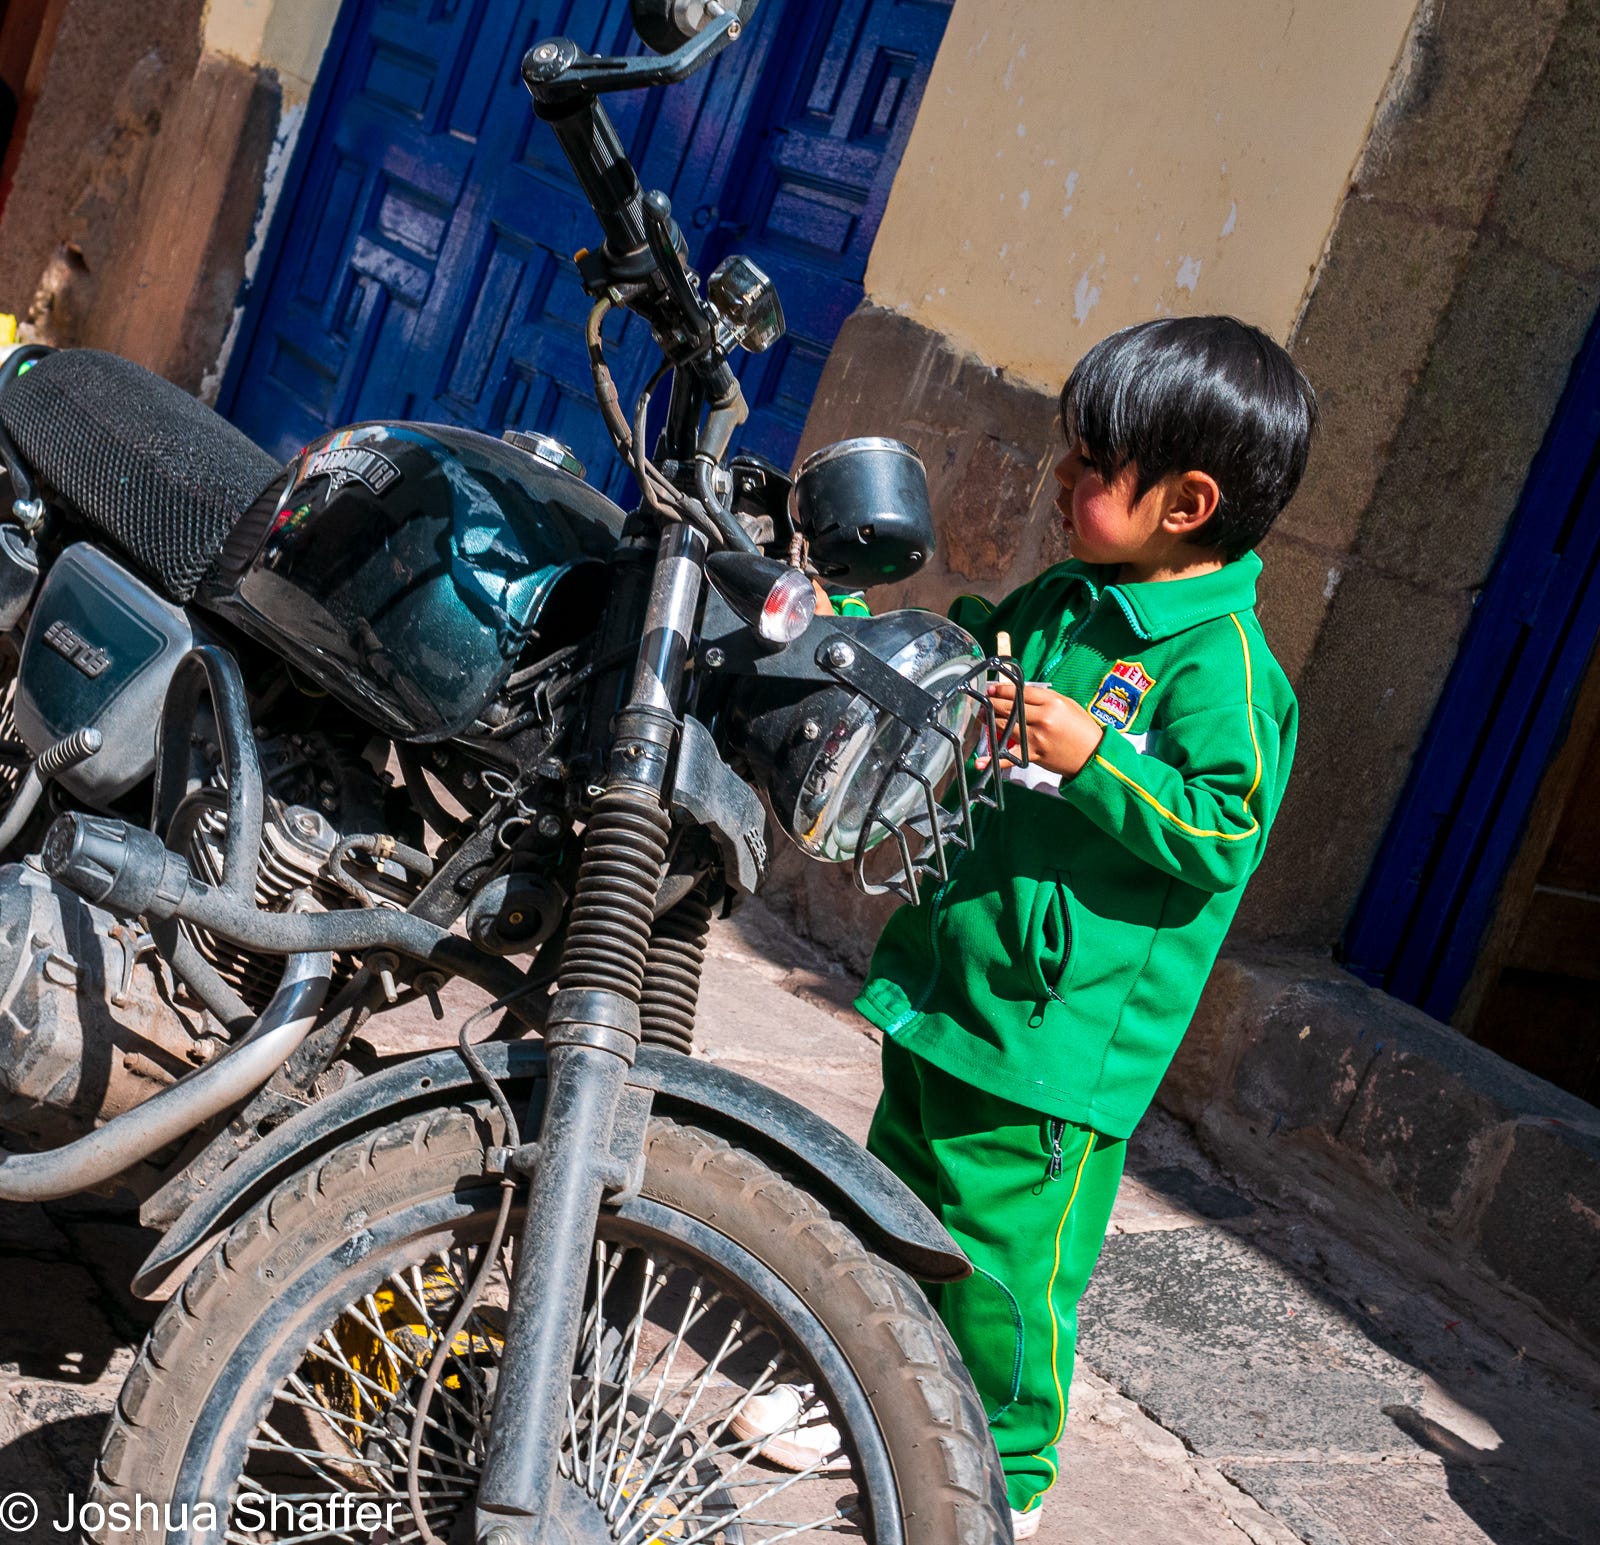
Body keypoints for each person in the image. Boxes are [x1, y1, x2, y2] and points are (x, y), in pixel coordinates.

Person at [735, 315, 1316, 1538]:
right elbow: (968, 675)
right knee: (892, 1200)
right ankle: (866, 1375)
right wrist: (861, 633)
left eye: (1092, 465)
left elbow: (1223, 833)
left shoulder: (1223, 670)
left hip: (1057, 1042)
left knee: (1004, 1269)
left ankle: (1007, 1467)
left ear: (1185, 504)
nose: (1060, 476)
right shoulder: (1064, 597)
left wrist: (1099, 755)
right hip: (956, 980)